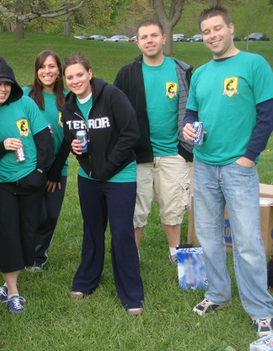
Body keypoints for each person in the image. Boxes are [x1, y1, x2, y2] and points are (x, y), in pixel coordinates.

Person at [182, 6, 273, 337]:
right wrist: (188, 130)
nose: (212, 36)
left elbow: (267, 114)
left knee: (248, 241)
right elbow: (191, 113)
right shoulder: (202, 73)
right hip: (204, 165)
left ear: (230, 28)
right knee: (208, 235)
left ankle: (261, 309)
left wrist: (249, 157)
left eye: (217, 28)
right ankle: (218, 294)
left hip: (238, 168)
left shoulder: (254, 64)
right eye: (206, 31)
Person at [61, 53, 144, 315]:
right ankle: (86, 280)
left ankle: (131, 293)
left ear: (89, 73)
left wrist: (108, 166)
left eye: (79, 74)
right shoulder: (68, 105)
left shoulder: (112, 96)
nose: (75, 81)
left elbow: (131, 133)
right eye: (70, 77)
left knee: (121, 233)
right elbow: (71, 136)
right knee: (92, 229)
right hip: (88, 177)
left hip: (119, 175)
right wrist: (75, 147)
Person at [0, 55, 54, 315]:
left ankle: (8, 281)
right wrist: (1, 146)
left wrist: (40, 172)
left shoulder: (24, 103)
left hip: (31, 180)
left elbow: (45, 140)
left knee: (27, 234)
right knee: (8, 234)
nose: (2, 89)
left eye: (7, 84)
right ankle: (13, 292)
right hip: (3, 184)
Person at [114, 19, 193, 263]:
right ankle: (132, 253)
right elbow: (116, 113)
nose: (149, 40)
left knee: (173, 205)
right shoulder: (127, 74)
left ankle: (175, 253)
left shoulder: (182, 70)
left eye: (153, 35)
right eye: (144, 37)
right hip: (138, 154)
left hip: (173, 152)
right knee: (137, 207)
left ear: (163, 38)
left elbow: (193, 108)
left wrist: (185, 147)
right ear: (137, 42)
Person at [23, 50, 68, 272]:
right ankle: (25, 255)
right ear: (36, 71)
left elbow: (70, 137)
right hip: (30, 166)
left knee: (50, 215)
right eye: (42, 67)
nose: (47, 71)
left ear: (59, 70)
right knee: (33, 214)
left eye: (51, 66)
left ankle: (38, 258)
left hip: (57, 168)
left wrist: (55, 171)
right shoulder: (26, 95)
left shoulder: (68, 99)